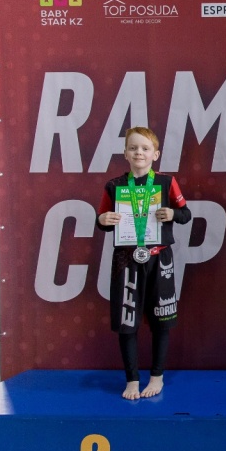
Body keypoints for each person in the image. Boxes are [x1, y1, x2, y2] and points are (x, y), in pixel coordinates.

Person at [96, 127, 191, 400]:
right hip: (126, 259)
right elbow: (102, 219)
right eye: (133, 148)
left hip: (159, 257)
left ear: (155, 154)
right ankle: (132, 380)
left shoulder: (166, 182)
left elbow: (186, 214)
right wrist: (102, 220)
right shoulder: (114, 185)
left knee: (162, 319)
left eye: (145, 148)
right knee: (127, 320)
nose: (139, 152)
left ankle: (157, 376)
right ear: (125, 153)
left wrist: (172, 214)